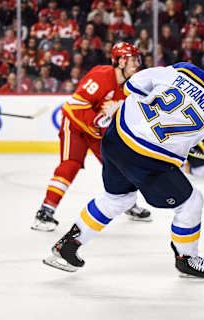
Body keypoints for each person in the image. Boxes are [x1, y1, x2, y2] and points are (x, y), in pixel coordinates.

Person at [43, 44, 204, 279]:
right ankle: (187, 258)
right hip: (148, 160)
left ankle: (67, 246)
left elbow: (133, 85)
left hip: (115, 139)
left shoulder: (184, 70)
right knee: (191, 203)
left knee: (116, 199)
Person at [32, 42, 152, 232]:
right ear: (120, 61)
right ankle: (45, 211)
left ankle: (127, 204)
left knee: (121, 166)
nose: (137, 64)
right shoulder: (101, 76)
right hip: (76, 126)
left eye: (137, 60)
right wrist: (96, 120)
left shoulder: (132, 85)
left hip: (97, 133)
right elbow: (74, 106)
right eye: (133, 60)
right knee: (70, 165)